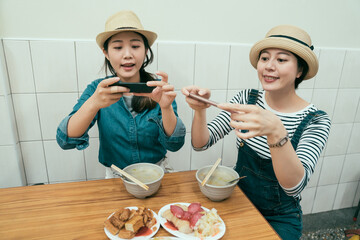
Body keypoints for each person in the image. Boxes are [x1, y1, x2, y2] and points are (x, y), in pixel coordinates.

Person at [182, 25, 331, 239]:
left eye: (281, 60)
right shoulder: (247, 99)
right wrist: (199, 111)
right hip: (237, 199)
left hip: (280, 216)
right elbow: (201, 144)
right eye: (264, 58)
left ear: (300, 70)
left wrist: (276, 131)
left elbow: (294, 187)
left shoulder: (315, 120)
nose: (269, 66)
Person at [56, 10, 186, 177]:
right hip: (116, 178)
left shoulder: (158, 88)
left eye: (135, 46)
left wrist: (166, 107)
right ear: (106, 53)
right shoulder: (98, 90)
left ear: (146, 50)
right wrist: (93, 103)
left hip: (157, 173)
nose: (127, 55)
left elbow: (175, 144)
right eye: (118, 47)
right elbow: (65, 140)